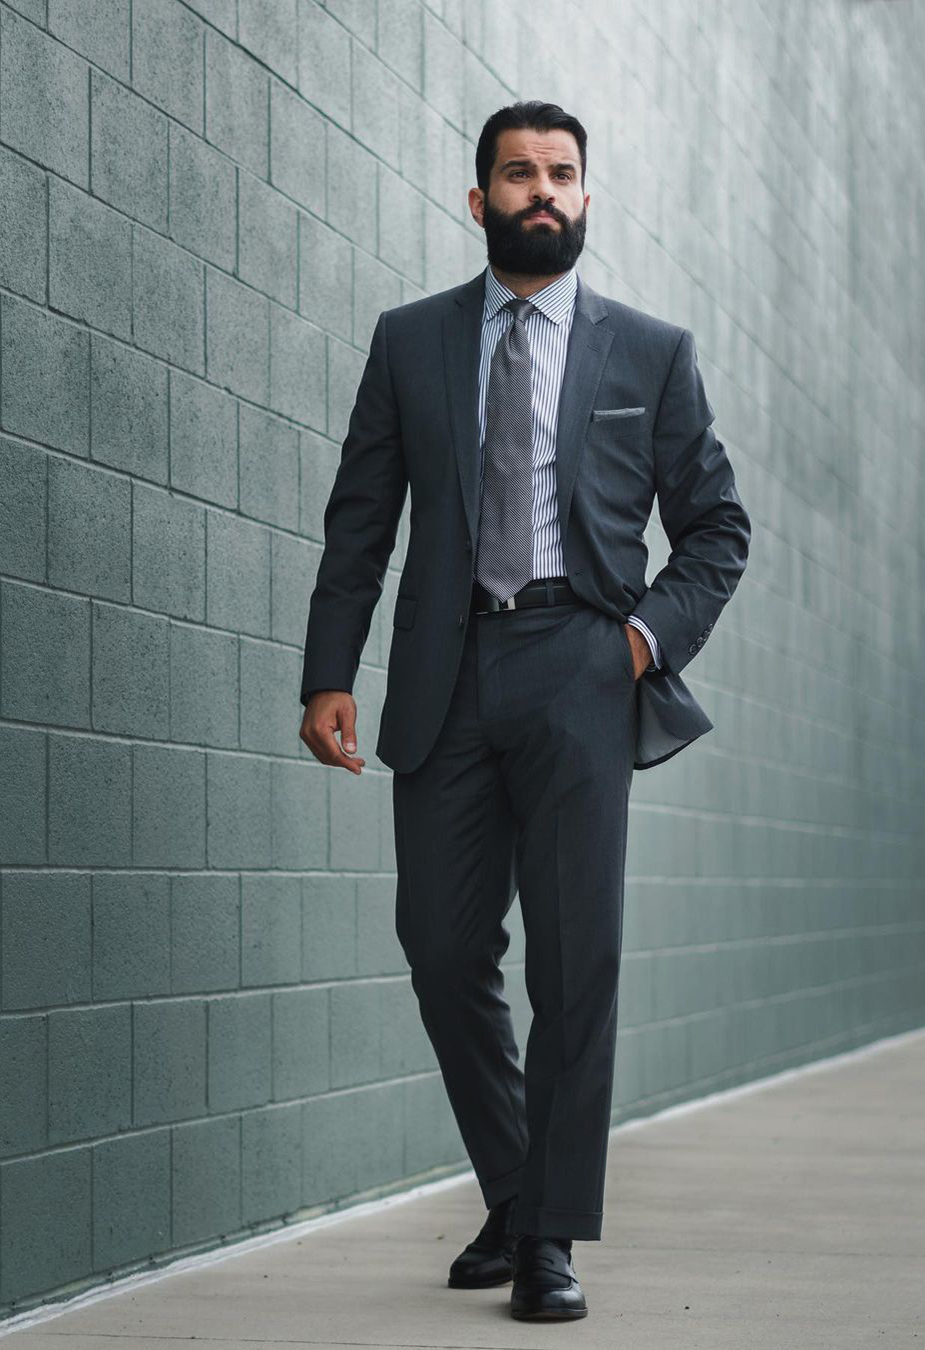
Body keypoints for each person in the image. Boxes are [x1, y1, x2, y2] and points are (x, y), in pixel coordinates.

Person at [299, 99, 751, 1321]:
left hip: (580, 664)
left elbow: (716, 528)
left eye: (560, 174)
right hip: (445, 672)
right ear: (478, 197)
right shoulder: (411, 342)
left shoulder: (648, 352)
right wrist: (326, 671)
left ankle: (546, 1234)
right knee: (443, 951)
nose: (539, 191)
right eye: (516, 174)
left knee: (574, 962)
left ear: (587, 197)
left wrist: (640, 643)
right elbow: (361, 520)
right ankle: (517, 1184)